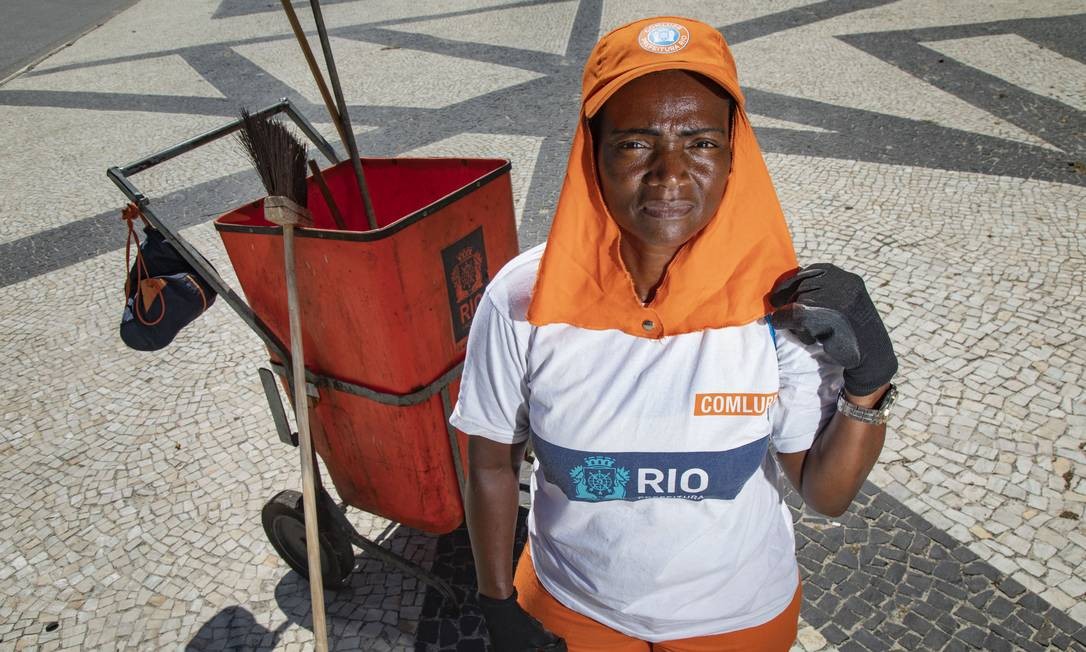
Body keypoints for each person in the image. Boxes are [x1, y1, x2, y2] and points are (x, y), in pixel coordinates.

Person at [450, 16, 897, 652]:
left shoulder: (778, 310)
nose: (669, 175)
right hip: (571, 607)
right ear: (592, 152)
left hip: (739, 621)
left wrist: (870, 381)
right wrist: (496, 602)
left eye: (702, 142)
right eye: (635, 143)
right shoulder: (524, 300)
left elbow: (826, 494)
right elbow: (492, 462)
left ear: (735, 153)